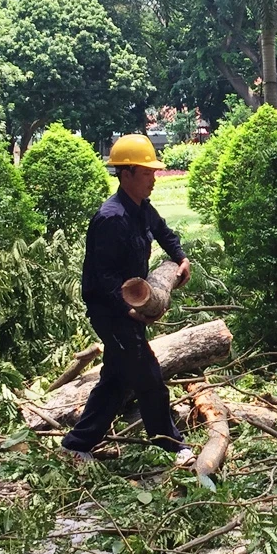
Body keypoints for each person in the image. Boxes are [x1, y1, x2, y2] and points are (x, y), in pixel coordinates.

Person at [60, 134, 194, 466]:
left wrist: (180, 258)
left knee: (117, 379)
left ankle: (77, 444)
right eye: (148, 172)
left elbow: (164, 232)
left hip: (128, 310)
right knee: (147, 375)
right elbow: (103, 277)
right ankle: (171, 444)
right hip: (110, 311)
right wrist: (128, 310)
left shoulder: (141, 209)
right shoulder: (111, 217)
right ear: (128, 173)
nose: (154, 178)